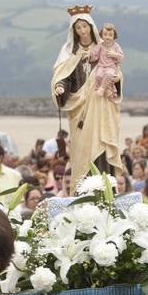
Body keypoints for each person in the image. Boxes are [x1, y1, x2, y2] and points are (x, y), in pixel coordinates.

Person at [52, 10, 123, 181]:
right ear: (74, 31)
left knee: (101, 147)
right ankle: (82, 191)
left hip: (101, 108)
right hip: (80, 113)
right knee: (81, 152)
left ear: (91, 27)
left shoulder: (103, 49)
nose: (83, 31)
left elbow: (116, 71)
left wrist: (117, 79)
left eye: (85, 26)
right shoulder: (69, 54)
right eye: (78, 28)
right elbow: (64, 77)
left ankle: (104, 189)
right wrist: (60, 87)